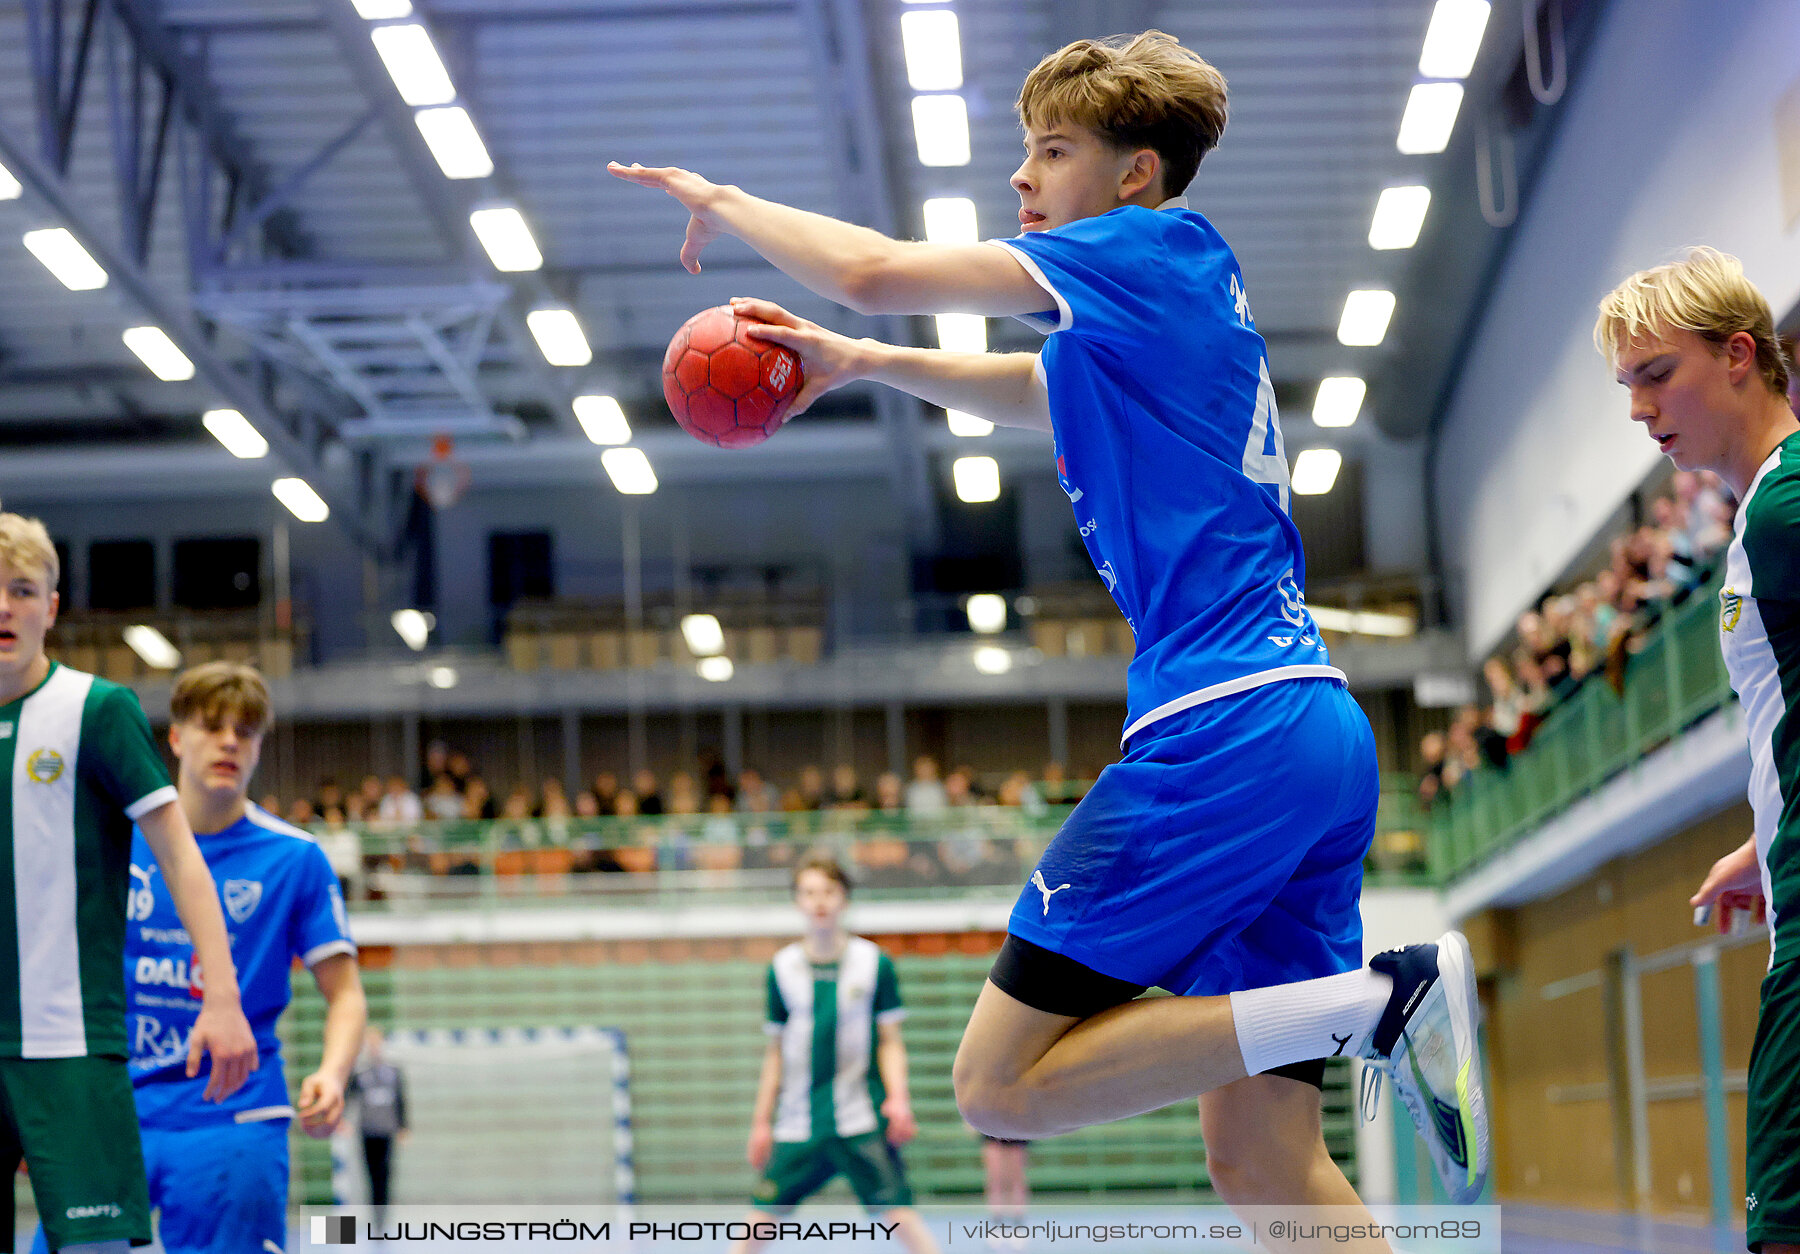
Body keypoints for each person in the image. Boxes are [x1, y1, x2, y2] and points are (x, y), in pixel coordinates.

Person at [612, 28, 1488, 1224]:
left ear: (1134, 172)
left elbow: (873, 265)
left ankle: (1379, 1003)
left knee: (997, 1085)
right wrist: (861, 363)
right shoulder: (1163, 313)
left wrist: (723, 199)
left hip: (1221, 730)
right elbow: (1035, 393)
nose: (1021, 180)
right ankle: (1362, 1007)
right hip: (1312, 737)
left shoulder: (1147, 247)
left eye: (1051, 150)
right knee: (1265, 1165)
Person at [1596, 247, 1799, 1254]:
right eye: (1626, 384)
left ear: (1736, 356)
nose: (1638, 408)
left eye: (1654, 374)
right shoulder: (1757, 516)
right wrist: (1767, 840)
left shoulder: (1790, 507)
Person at [31, 661, 366, 1254]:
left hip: (232, 1116)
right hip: (109, 1111)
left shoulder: (296, 858)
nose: (230, 741)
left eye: (247, 730)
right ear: (177, 738)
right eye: (213, 726)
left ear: (261, 747)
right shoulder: (109, 842)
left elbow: (345, 994)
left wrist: (332, 1073)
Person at [0, 507, 256, 1254]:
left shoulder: (96, 711)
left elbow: (181, 858)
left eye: (20, 590)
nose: (2, 607)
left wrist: (224, 997)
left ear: (51, 607)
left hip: (70, 1045)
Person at [732, 857, 938, 1254]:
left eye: (828, 891)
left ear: (844, 898)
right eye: (809, 893)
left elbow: (890, 1040)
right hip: (798, 1121)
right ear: (797, 902)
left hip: (860, 1119)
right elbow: (775, 1051)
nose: (819, 901)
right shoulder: (782, 968)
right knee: (757, 1224)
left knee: (901, 1216)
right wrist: (761, 1122)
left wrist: (900, 1098)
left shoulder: (874, 963)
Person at [349, 1027, 408, 1223]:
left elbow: (401, 1100)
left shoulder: (393, 1072)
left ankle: (383, 1217)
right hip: (367, 1130)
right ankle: (373, 1217)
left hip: (386, 1130)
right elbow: (347, 1097)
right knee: (370, 1174)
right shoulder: (360, 1073)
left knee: (385, 1173)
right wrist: (340, 1120)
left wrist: (403, 1126)